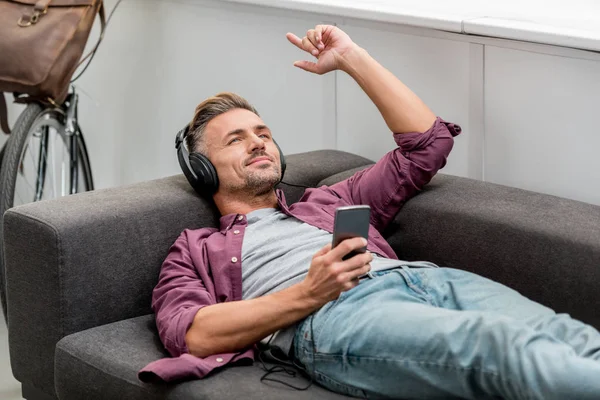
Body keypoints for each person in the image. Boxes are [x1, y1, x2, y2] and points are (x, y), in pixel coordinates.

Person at [139, 25, 600, 399]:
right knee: (503, 349)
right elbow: (192, 334)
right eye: (236, 138)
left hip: (427, 279)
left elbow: (427, 145)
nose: (258, 140)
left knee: (569, 336)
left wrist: (350, 58)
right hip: (335, 319)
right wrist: (308, 293)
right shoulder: (194, 250)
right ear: (201, 170)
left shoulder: (329, 201)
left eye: (262, 132)